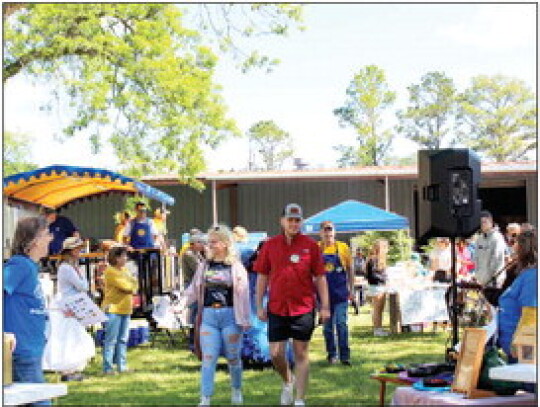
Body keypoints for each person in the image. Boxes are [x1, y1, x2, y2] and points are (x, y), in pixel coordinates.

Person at [254, 203, 330, 407]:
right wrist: (259, 305)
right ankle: (288, 380)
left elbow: (320, 277)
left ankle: (299, 399)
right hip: (277, 307)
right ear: (282, 221)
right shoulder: (270, 245)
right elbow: (262, 275)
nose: (294, 224)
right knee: (275, 353)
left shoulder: (311, 246)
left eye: (297, 220)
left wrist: (325, 306)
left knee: (301, 353)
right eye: (290, 220)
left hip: (303, 307)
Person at [181, 225, 251, 406]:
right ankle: (205, 398)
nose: (209, 245)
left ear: (226, 243)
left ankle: (236, 390)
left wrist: (245, 319)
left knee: (233, 358)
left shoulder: (235, 267)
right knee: (208, 358)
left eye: (214, 241)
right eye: (208, 242)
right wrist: (180, 305)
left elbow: (243, 294)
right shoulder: (204, 266)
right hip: (209, 318)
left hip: (230, 317)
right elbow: (193, 290)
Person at [3, 216, 53, 406]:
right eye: (47, 234)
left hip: (30, 349)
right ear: (34, 240)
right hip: (21, 350)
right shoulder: (19, 265)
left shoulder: (30, 267)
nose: (50, 239)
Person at [44, 237, 95, 381]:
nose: (80, 251)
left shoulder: (70, 267)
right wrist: (83, 275)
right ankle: (67, 370)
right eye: (78, 249)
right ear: (71, 251)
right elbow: (83, 286)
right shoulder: (67, 268)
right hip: (67, 306)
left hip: (73, 304)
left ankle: (73, 369)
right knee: (69, 337)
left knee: (75, 336)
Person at [497, 229, 537, 363]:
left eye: (516, 244)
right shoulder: (527, 274)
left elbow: (531, 314)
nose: (513, 247)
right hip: (516, 349)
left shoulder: (533, 277)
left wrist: (519, 343)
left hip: (524, 352)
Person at [317, 221, 353, 366]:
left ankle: (345, 356)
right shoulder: (316, 249)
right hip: (323, 296)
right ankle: (332, 355)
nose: (328, 234)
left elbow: (350, 269)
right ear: (320, 233)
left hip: (340, 294)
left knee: (341, 324)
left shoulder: (343, 248)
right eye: (325, 231)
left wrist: (352, 288)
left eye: (330, 230)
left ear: (334, 232)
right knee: (327, 328)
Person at [101, 245, 139, 374]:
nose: (126, 258)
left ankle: (122, 366)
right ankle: (107, 367)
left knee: (123, 340)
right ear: (116, 258)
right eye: (123, 256)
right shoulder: (110, 271)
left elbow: (135, 284)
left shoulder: (125, 271)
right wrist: (131, 286)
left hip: (125, 309)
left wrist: (132, 286)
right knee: (111, 340)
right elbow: (126, 287)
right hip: (113, 309)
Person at [181, 232, 207, 351]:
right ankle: (192, 342)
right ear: (194, 243)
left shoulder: (197, 254)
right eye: (200, 243)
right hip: (191, 285)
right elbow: (200, 269)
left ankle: (199, 341)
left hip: (197, 285)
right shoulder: (189, 254)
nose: (203, 245)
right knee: (194, 314)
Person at [473, 211, 507, 287]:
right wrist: (478, 275)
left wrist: (490, 277)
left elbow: (496, 258)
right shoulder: (479, 239)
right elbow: (476, 258)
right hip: (481, 280)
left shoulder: (497, 237)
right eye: (481, 222)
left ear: (491, 222)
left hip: (494, 280)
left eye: (485, 222)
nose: (482, 225)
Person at [366, 239, 389, 337]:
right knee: (378, 310)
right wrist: (385, 280)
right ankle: (377, 329)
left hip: (378, 286)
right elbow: (372, 275)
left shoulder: (378, 260)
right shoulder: (373, 260)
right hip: (376, 287)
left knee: (378, 309)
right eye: (385, 247)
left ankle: (378, 328)